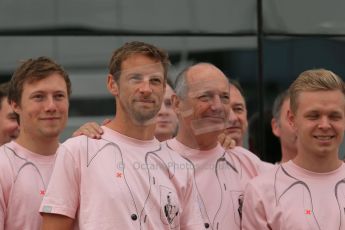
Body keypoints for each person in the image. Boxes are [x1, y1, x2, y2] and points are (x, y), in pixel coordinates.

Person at [40, 41, 203, 229]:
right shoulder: (78, 150)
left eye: (155, 80)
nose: (146, 89)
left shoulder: (181, 167)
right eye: (135, 78)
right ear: (112, 84)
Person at [166, 63, 268, 229]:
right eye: (205, 97)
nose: (217, 106)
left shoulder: (248, 163)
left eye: (224, 97)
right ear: (177, 104)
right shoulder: (154, 163)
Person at [242, 69, 345, 229]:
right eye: (313, 116)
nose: (325, 125)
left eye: (334, 116)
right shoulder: (262, 191)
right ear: (292, 120)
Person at [0, 57, 71, 229]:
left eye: (59, 96)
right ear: (15, 105)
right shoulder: (2, 165)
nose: (51, 106)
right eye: (39, 97)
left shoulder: (82, 161)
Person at [271, 90, 297, 163]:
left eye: (311, 117)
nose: (300, 125)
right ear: (276, 127)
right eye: (292, 118)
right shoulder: (266, 174)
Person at [221, 80, 248, 147]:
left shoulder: (252, 157)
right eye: (223, 111)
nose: (233, 118)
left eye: (238, 109)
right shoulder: (193, 157)